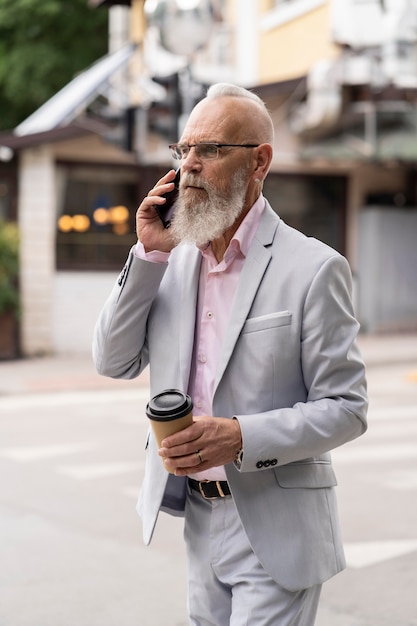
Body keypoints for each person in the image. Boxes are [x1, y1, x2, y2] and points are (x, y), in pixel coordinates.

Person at [93, 82, 368, 626]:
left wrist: (241, 435)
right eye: (183, 150)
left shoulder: (314, 268)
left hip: (277, 523)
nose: (189, 165)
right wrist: (147, 252)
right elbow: (112, 360)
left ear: (259, 162)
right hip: (197, 515)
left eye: (210, 150)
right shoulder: (169, 262)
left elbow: (347, 407)